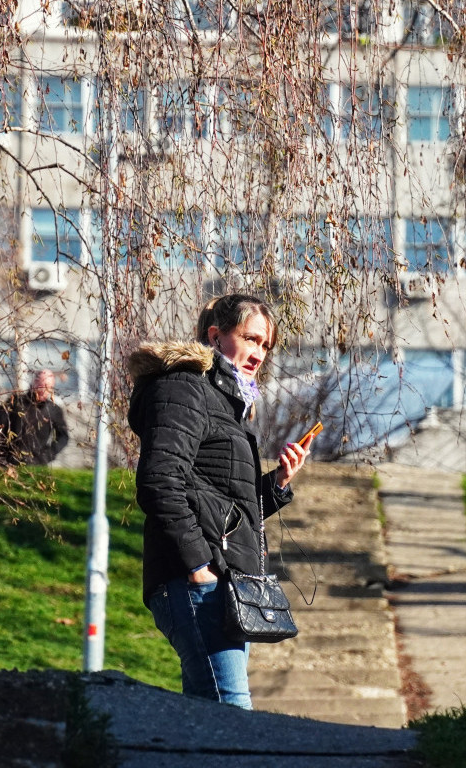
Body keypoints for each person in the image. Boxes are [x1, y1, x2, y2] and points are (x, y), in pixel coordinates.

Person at [126, 294, 309, 709]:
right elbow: (159, 481)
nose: (259, 354)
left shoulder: (227, 406)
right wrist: (198, 567)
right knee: (233, 715)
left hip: (227, 588)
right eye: (251, 339)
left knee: (208, 720)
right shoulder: (184, 387)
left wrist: (278, 483)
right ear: (215, 335)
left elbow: (226, 506)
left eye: (266, 345)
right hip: (196, 582)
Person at [0, 369, 70, 466]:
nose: (44, 391)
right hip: (9, 462)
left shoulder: (53, 410)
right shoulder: (16, 402)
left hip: (37, 463)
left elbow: (63, 437)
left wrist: (48, 455)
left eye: (48, 388)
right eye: (41, 386)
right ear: (34, 383)